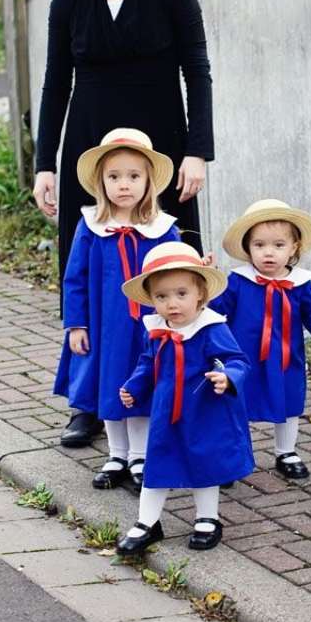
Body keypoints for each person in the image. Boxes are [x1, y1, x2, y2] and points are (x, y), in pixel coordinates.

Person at [33, 0, 214, 448]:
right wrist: (44, 164)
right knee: (88, 269)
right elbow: (55, 82)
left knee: (168, 264)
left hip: (161, 143)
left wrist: (198, 150)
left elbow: (197, 70)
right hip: (90, 147)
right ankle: (88, 402)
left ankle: (178, 386)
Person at [53, 128, 181, 488]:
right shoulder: (92, 225)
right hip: (104, 327)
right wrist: (76, 324)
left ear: (148, 181)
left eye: (133, 176)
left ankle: (140, 457)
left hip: (147, 327)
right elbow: (74, 278)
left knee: (139, 386)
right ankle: (116, 455)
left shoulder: (162, 228)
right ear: (101, 181)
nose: (124, 185)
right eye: (114, 176)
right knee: (110, 386)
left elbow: (176, 271)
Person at [116, 242, 254, 555]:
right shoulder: (156, 328)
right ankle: (147, 522)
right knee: (158, 462)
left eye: (181, 294)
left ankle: (207, 518)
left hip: (204, 409)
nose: (172, 304)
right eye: (162, 297)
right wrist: (135, 387)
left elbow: (237, 360)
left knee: (204, 462)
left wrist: (227, 377)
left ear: (200, 294)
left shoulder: (210, 327)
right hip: (168, 411)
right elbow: (147, 361)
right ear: (152, 299)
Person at [211, 199, 311, 480]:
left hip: (285, 357)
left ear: (294, 248)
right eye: (259, 245)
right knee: (238, 403)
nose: (269, 253)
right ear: (247, 248)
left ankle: (286, 451)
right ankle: (234, 456)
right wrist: (207, 283)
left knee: (289, 402)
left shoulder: (300, 283)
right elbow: (215, 310)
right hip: (244, 358)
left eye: (278, 245)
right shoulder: (238, 281)